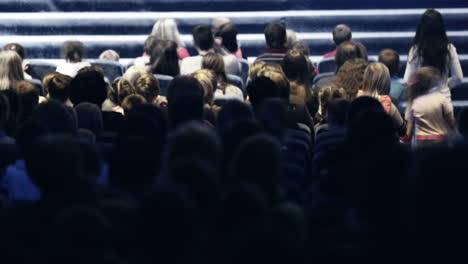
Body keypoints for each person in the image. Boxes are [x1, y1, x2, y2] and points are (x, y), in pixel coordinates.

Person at [403, 9, 463, 101]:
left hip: (422, 101)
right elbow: (458, 77)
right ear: (441, 27)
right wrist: (445, 85)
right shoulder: (449, 49)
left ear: (422, 28)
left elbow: (407, 80)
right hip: (444, 99)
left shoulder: (416, 50)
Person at [402, 67, 456, 147]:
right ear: (432, 82)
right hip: (440, 141)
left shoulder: (413, 102)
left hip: (420, 142)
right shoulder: (442, 99)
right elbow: (451, 123)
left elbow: (408, 133)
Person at [358, 62, 405, 136]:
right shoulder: (388, 104)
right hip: (381, 145)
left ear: (365, 78)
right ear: (386, 81)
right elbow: (402, 131)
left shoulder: (354, 96)